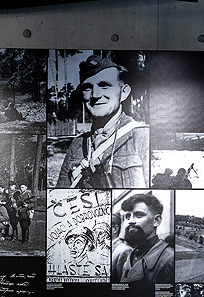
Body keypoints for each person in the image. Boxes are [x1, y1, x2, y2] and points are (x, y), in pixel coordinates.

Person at [56, 55, 149, 188]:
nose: (95, 95)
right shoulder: (77, 144)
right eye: (87, 87)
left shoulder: (141, 137)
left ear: (124, 92)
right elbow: (60, 194)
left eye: (104, 85)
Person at [111, 193, 173, 284]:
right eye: (127, 217)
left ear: (156, 221)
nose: (130, 221)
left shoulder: (170, 259)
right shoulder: (131, 256)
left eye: (139, 215)